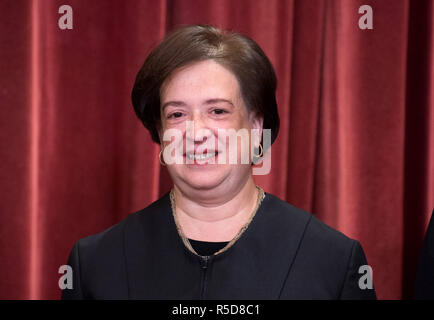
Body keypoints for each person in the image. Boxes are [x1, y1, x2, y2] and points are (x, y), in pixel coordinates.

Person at [61, 24, 376, 300]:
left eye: (218, 111)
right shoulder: (96, 263)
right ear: (160, 132)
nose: (196, 133)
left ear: (255, 129)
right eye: (177, 115)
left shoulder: (333, 262)